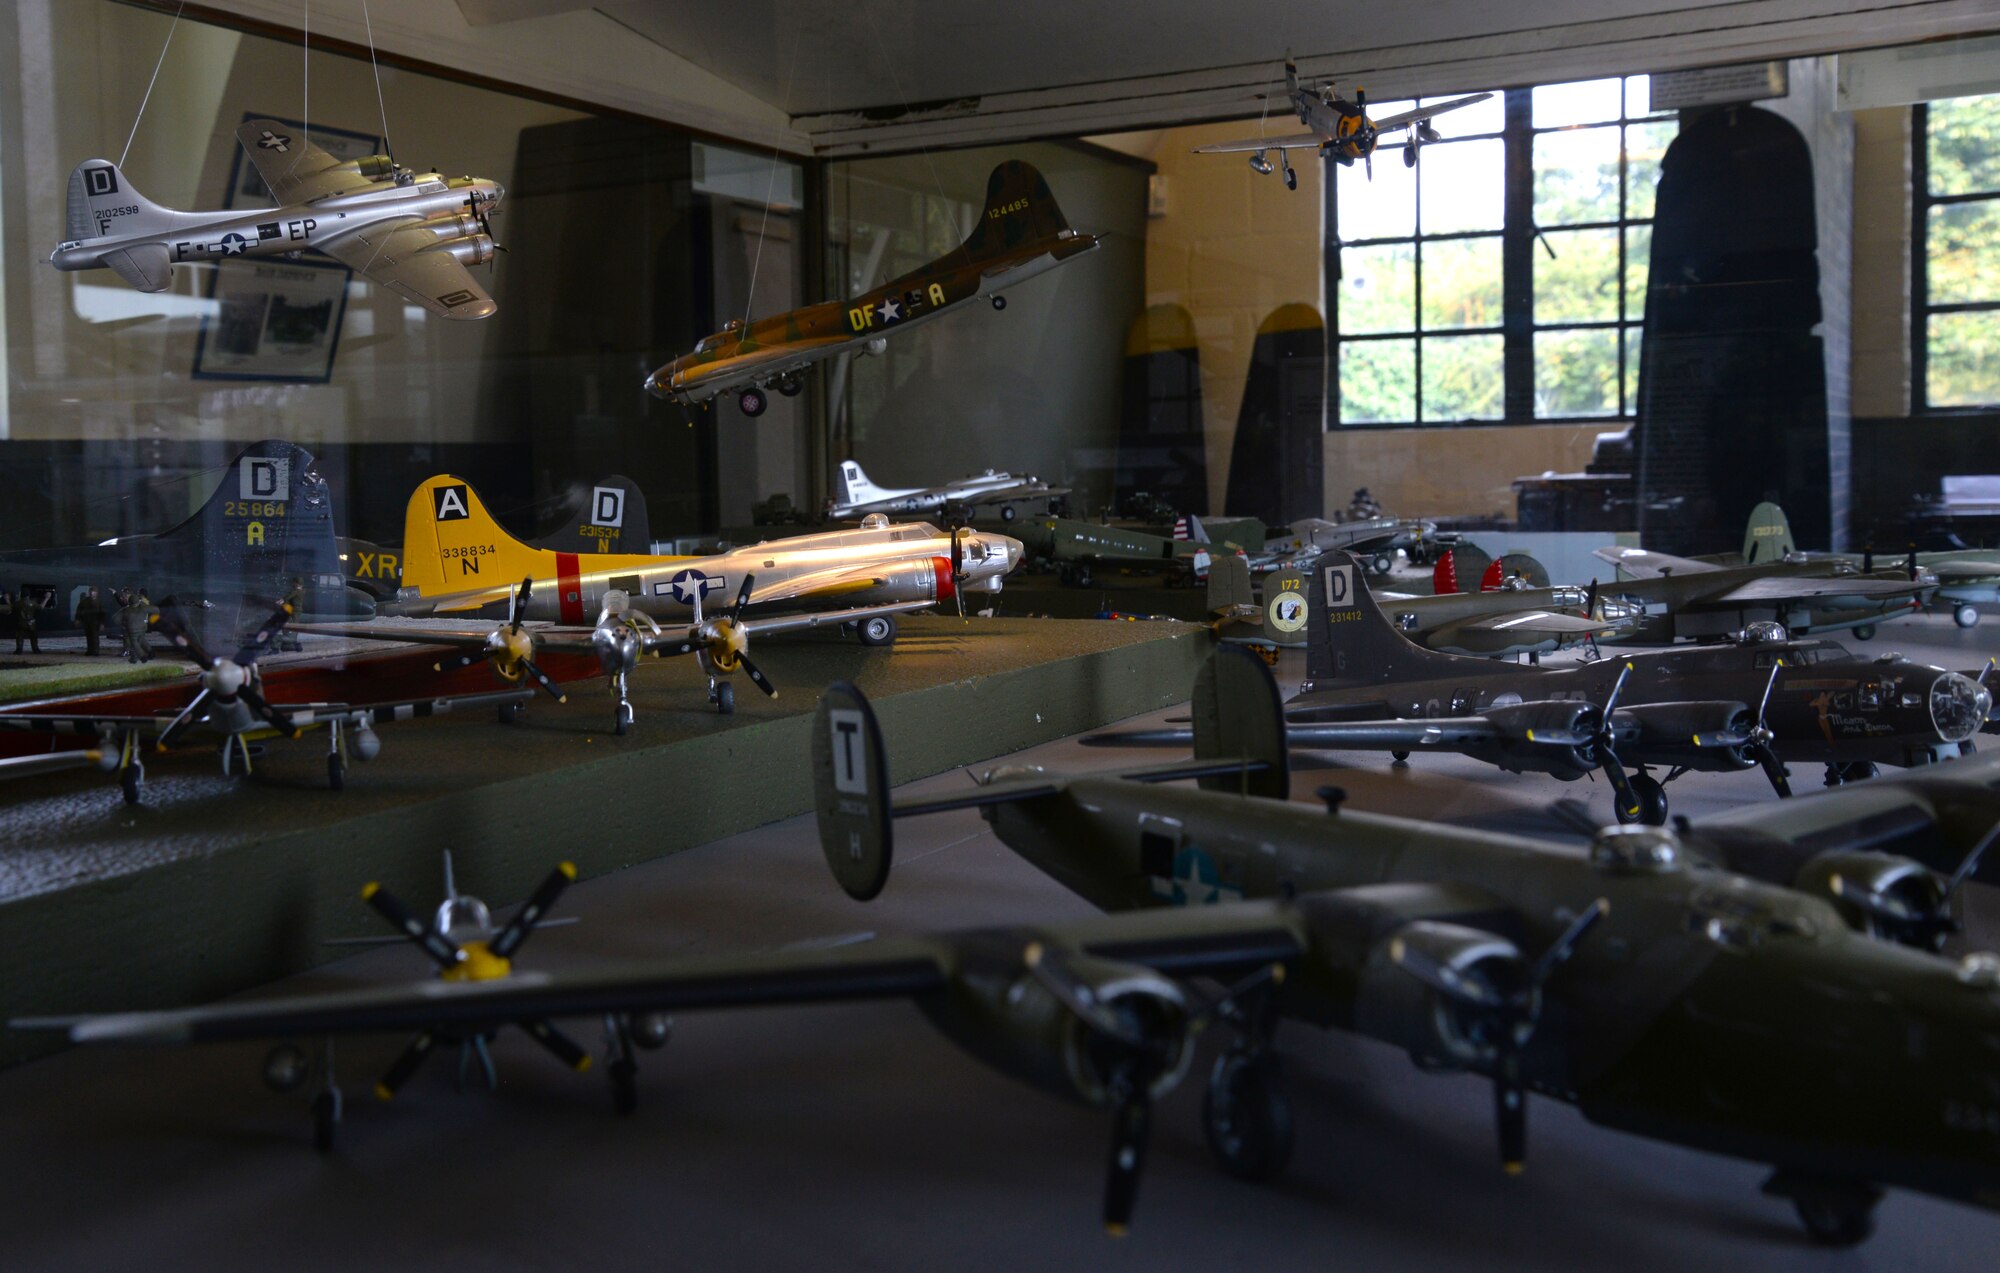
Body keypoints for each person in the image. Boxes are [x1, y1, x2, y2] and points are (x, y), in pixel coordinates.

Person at [74, 586, 103, 656]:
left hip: (95, 622)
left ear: (97, 593)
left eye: (94, 592)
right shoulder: (85, 601)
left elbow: (102, 614)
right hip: (87, 621)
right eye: (92, 592)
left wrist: (102, 623)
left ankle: (96, 651)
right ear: (89, 593)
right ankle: (90, 650)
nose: (93, 593)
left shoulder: (99, 602)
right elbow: (79, 610)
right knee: (89, 637)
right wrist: (78, 619)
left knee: (95, 637)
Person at [13, 588, 39, 655]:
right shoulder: (33, 603)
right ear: (28, 595)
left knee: (20, 636)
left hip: (21, 623)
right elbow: (41, 607)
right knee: (33, 637)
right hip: (31, 623)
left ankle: (19, 649)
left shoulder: (17, 603)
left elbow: (11, 607)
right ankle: (35, 649)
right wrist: (47, 598)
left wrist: (7, 600)